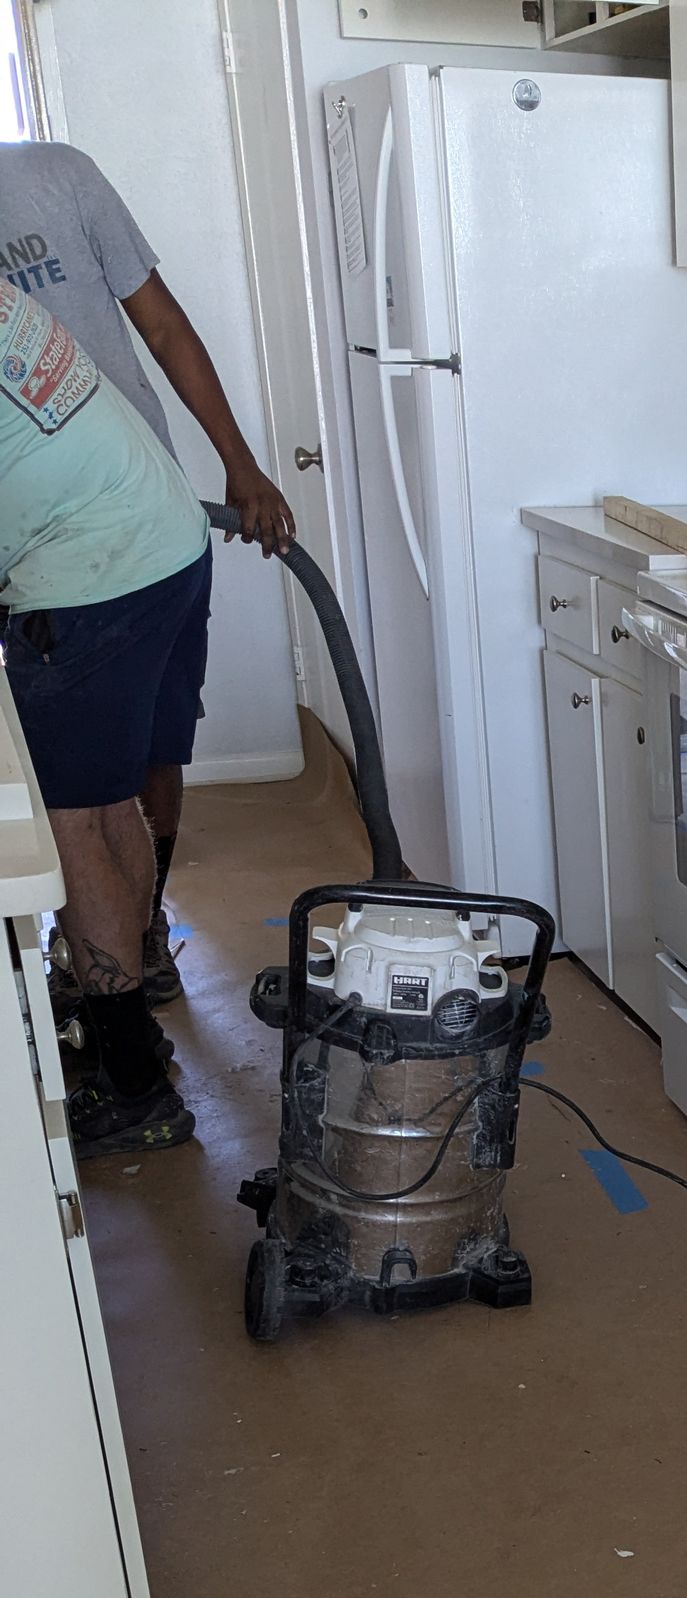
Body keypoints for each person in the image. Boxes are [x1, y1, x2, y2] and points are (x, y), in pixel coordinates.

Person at [0, 138, 293, 1002]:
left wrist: (239, 462)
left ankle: (138, 936)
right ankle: (108, 946)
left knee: (144, 761)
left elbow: (161, 325)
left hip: (130, 519)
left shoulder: (57, 176)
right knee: (86, 791)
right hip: (48, 544)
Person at [1, 273, 214, 1154]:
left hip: (89, 578)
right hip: (160, 540)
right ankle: (135, 1036)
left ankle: (132, 1087)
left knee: (73, 825)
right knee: (105, 802)